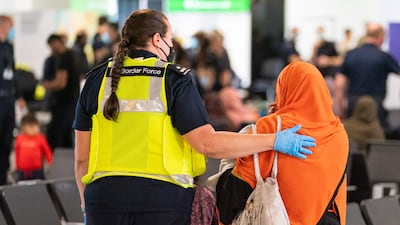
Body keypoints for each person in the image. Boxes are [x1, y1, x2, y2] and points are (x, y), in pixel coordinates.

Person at [73, 9, 316, 225]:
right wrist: (273, 140)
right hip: (163, 202)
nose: (171, 46)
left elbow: (81, 161)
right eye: (170, 39)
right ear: (157, 39)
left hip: (103, 202)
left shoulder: (96, 80)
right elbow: (207, 143)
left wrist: (87, 206)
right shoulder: (173, 79)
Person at [216, 62, 348, 225]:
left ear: (283, 89)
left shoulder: (270, 128)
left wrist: (228, 162)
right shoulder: (338, 132)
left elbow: (230, 200)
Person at [335, 22, 400, 132]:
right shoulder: (383, 57)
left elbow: (339, 86)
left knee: (352, 139)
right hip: (375, 107)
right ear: (381, 36)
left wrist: (341, 111)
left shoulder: (350, 55)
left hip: (353, 105)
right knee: (379, 143)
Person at [0, 15, 25, 185]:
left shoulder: (9, 47)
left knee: (6, 140)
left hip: (8, 101)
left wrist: (19, 95)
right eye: (9, 25)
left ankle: (3, 177)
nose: (10, 29)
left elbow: (13, 72)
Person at [44, 34, 80, 150]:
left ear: (56, 43)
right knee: (67, 135)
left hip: (63, 102)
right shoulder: (74, 55)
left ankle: (56, 163)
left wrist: (47, 85)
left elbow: (61, 82)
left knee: (56, 135)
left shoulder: (63, 57)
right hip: (74, 100)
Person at [14, 114, 53, 181]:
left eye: (36, 126)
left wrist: (51, 163)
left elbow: (47, 151)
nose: (35, 129)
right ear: (24, 128)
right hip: (23, 170)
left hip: (37, 170)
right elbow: (17, 152)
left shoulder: (40, 138)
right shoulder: (20, 138)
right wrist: (17, 166)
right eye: (31, 127)